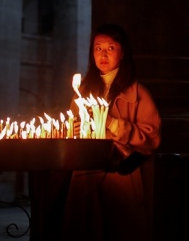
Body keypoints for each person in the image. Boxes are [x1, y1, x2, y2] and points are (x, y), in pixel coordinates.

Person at [60, 23, 162, 240]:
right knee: (86, 227)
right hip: (85, 173)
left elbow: (152, 138)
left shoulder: (137, 93)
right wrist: (75, 129)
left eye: (110, 48)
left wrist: (112, 123)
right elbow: (72, 129)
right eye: (98, 48)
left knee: (120, 228)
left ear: (122, 52)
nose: (103, 54)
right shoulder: (82, 92)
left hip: (120, 175)